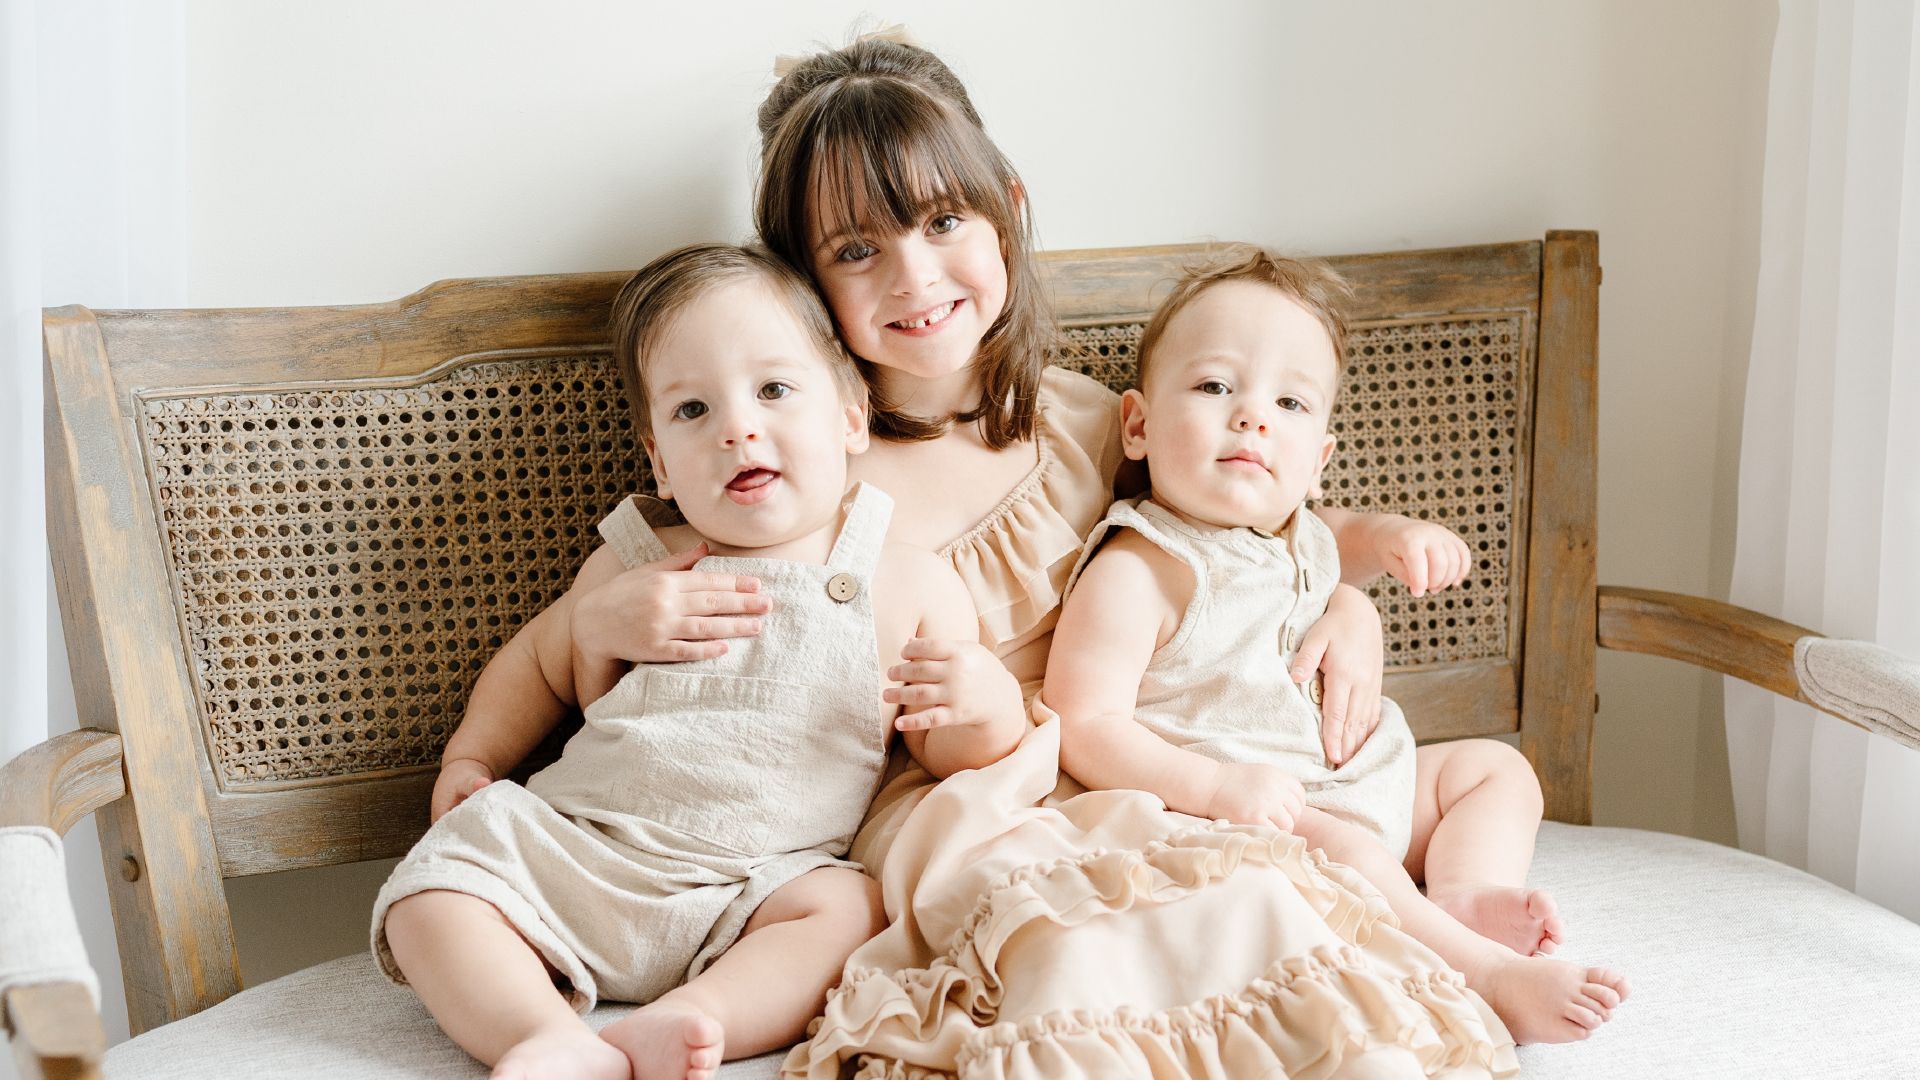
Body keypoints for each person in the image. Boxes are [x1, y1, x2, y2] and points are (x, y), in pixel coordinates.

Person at [371, 243, 1027, 1080]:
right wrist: (475, 757)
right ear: (658, 460)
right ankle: (541, 1035)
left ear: (853, 416)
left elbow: (942, 750)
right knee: (430, 893)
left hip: (753, 888)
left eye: (775, 390)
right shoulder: (636, 561)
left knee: (849, 908)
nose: (737, 428)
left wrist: (986, 706)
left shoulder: (905, 580)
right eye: (691, 411)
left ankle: (694, 1016)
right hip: (582, 849)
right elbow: (538, 662)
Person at [1042, 247, 1630, 1044]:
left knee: (1495, 771)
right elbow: (1081, 723)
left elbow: (1346, 535)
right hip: (1252, 820)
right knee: (1352, 850)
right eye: (1216, 386)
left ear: (1317, 461)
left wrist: (1399, 536)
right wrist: (1215, 789)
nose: (1253, 416)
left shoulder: (1298, 530)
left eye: (1289, 402)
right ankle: (1485, 975)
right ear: (1138, 426)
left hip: (1361, 781)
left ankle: (1463, 893)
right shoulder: (1143, 567)